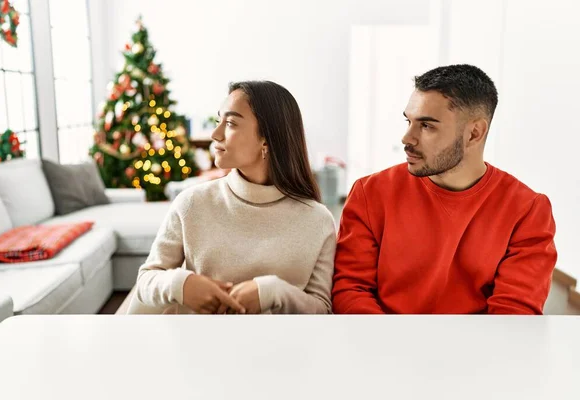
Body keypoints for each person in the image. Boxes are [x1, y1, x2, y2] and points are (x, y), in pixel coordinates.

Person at [332, 64, 557, 314]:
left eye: (427, 125)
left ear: (474, 133)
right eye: (409, 121)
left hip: (476, 350)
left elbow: (514, 314)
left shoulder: (528, 210)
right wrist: (391, 347)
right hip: (383, 346)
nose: (407, 138)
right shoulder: (370, 192)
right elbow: (351, 289)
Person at [127, 80, 336, 314]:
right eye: (218, 121)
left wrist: (274, 292)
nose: (215, 135)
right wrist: (181, 285)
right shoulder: (192, 203)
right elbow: (146, 281)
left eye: (230, 123)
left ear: (266, 138)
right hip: (195, 345)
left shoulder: (318, 221)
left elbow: (322, 311)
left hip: (279, 347)